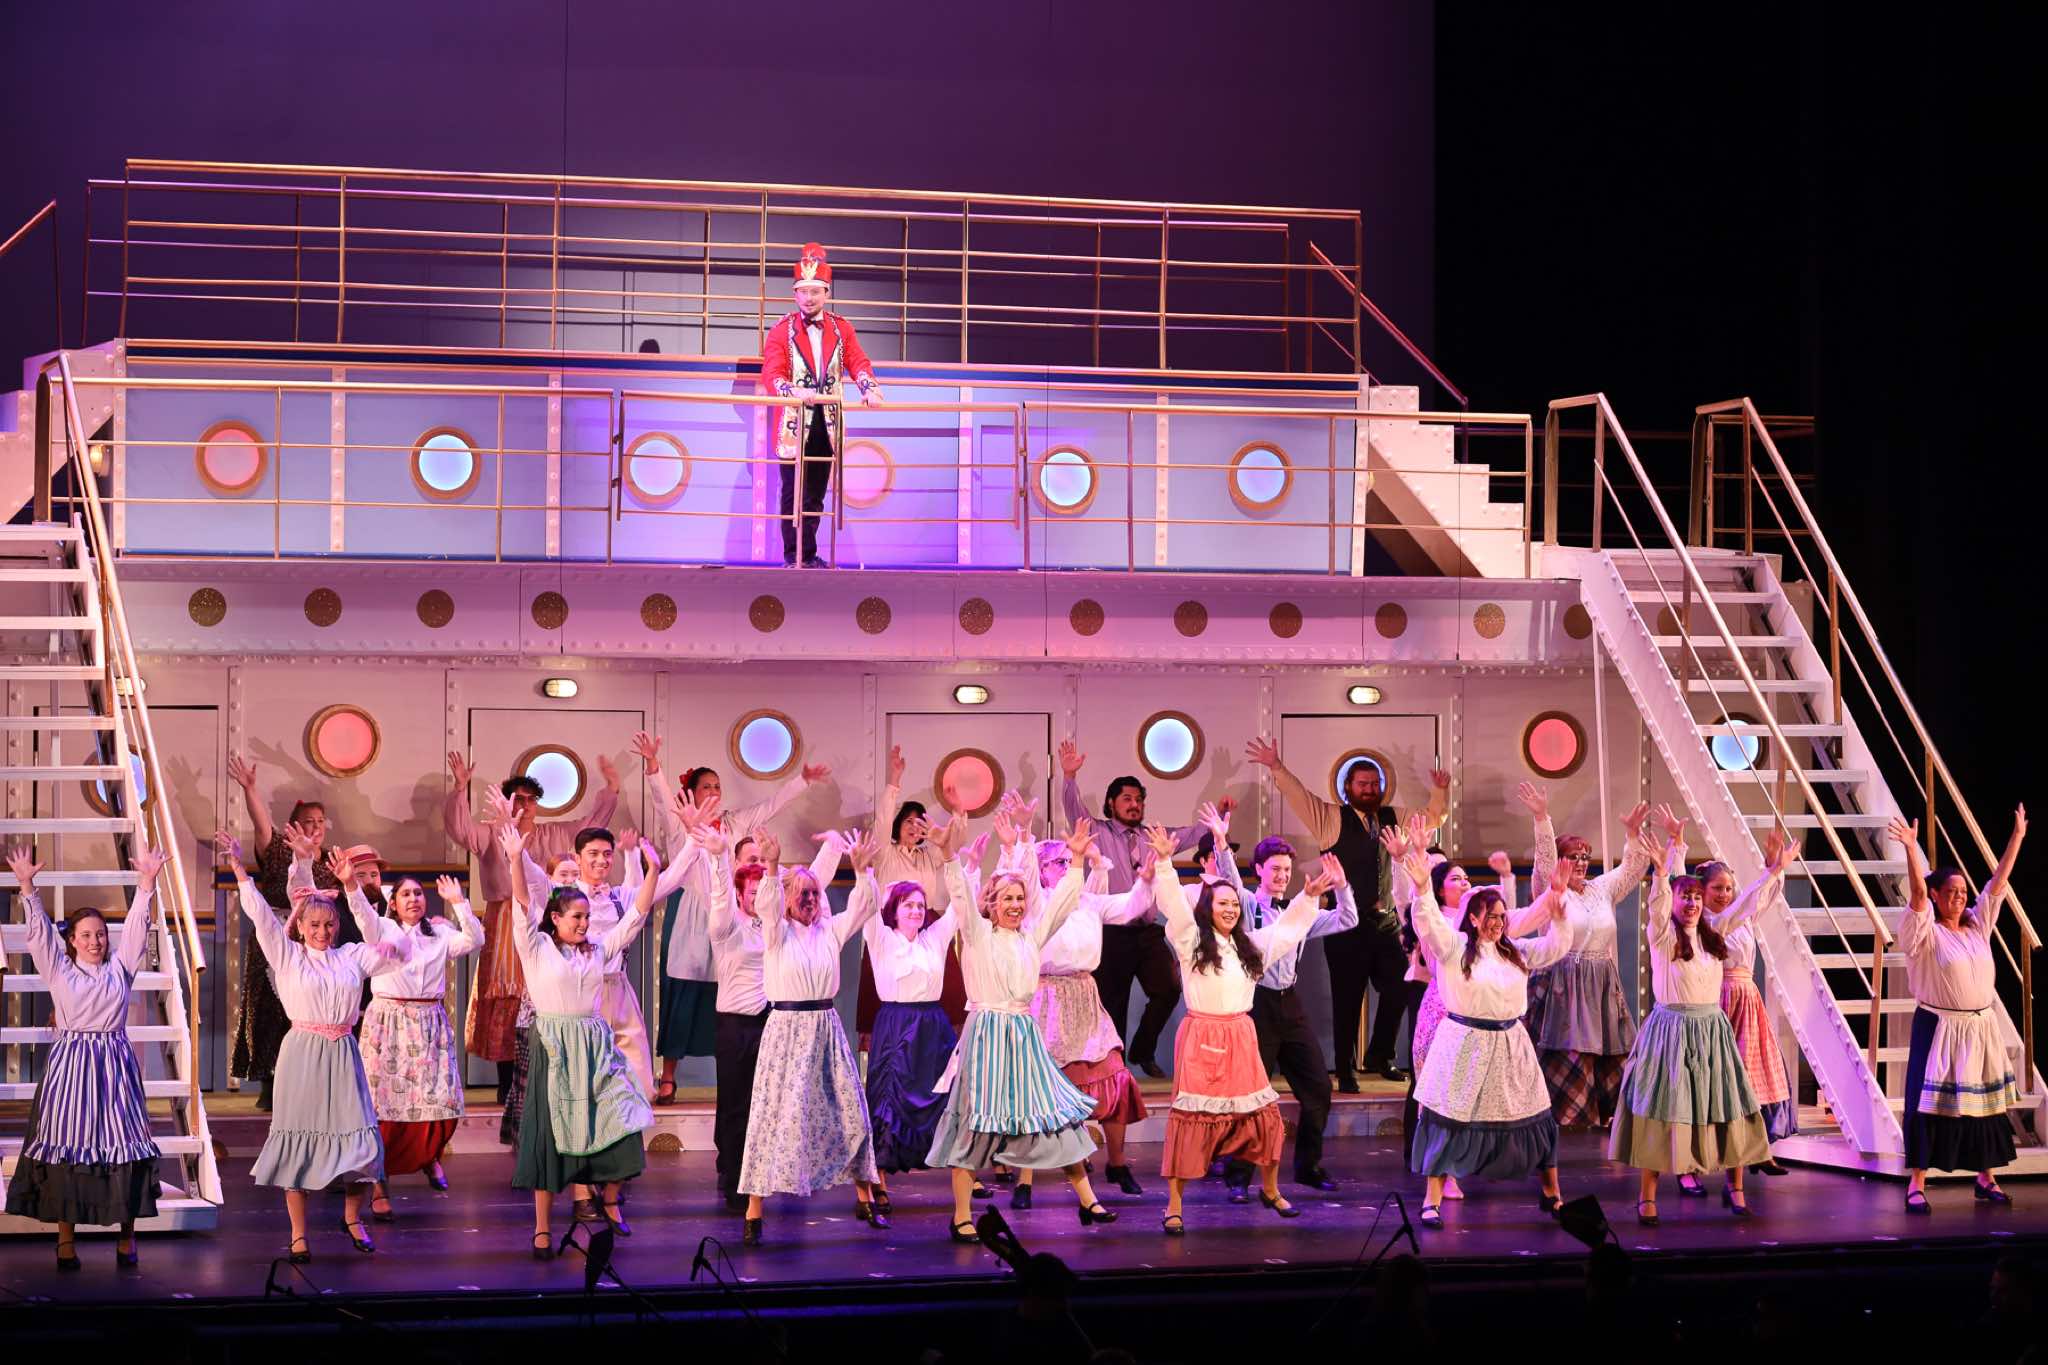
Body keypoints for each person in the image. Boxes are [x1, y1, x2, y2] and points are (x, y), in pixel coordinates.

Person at [218, 830, 409, 1263]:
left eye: (329, 925)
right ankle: (299, 1234)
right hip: (302, 1054)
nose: (323, 931)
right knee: (298, 1145)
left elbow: (394, 949)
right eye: (314, 925)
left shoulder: (352, 957)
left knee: (361, 1145)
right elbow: (260, 915)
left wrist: (352, 889)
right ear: (301, 927)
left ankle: (351, 1217)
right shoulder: (287, 956)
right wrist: (238, 869)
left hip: (342, 1053)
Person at [928, 821, 1116, 1243]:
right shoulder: (977, 935)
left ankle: (1088, 1200)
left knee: (1053, 1114)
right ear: (992, 904)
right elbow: (960, 896)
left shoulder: (1031, 938)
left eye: (1019, 898)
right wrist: (948, 856)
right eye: (1007, 899)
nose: (1015, 905)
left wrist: (1077, 861)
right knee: (975, 1125)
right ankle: (961, 1216)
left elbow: (1062, 905)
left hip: (1023, 1035)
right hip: (987, 1036)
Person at [1145, 822, 1337, 1233]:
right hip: (1203, 1039)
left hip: (1241, 1037)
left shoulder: (1250, 946)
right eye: (1223, 903)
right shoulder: (1192, 943)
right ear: (1208, 908)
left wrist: (1308, 898)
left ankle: (1270, 1189)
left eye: (1235, 903)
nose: (1231, 909)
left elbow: (1286, 932)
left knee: (1263, 1118)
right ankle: (1174, 1204)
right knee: (1192, 1122)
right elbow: (1174, 907)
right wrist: (1163, 862)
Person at [1390, 817, 1575, 1228]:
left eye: (1501, 915)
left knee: (1534, 1117)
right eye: (1490, 915)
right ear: (1472, 918)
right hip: (1464, 1043)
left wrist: (1559, 907)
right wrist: (1422, 888)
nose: (1498, 921)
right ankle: (1432, 1200)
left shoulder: (1514, 951)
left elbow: (1556, 947)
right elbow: (1428, 923)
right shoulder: (1454, 948)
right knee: (1449, 1120)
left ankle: (1552, 1193)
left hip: (1510, 1044)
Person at [1242, 736, 1450, 1089]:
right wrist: (1276, 766)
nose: (1369, 789)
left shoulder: (1396, 817)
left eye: (1374, 784)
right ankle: (1344, 1069)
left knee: (1400, 987)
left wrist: (1439, 791)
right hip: (1345, 926)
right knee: (1347, 999)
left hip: (1387, 924)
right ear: (1348, 788)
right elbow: (1298, 796)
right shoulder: (1329, 817)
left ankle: (1380, 1055)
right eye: (1362, 784)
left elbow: (1431, 819)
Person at [495, 822, 660, 1259]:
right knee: (549, 1138)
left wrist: (653, 872)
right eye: (577, 918)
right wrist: (515, 859)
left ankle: (610, 1199)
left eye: (587, 918)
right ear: (556, 918)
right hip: (554, 1046)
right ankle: (542, 1227)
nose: (585, 924)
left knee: (624, 1118)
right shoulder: (536, 948)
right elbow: (521, 903)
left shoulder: (596, 950)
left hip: (594, 1045)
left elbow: (635, 917)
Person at [3, 844, 167, 1270]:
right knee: (70, 1150)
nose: (95, 941)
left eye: (100, 935)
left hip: (113, 1065)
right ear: (72, 941)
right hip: (73, 1066)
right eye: (87, 935)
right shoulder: (60, 969)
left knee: (122, 1147)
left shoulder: (119, 969)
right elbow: (39, 936)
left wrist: (146, 883)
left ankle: (127, 1237)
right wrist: (28, 888)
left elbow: (137, 930)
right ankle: (65, 1240)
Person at [637, 733, 824, 1106]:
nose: (714, 791)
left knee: (734, 994)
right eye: (706, 786)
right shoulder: (681, 823)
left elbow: (770, 806)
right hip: (693, 911)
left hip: (733, 912)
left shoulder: (734, 823)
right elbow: (661, 800)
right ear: (692, 792)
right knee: (683, 992)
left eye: (717, 786)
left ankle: (735, 1077)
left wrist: (801, 781)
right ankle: (669, 1075)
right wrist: (653, 765)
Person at [1610, 810, 1770, 1223]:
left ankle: (1736, 1189)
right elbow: (1657, 909)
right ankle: (1647, 1196)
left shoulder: (1714, 935)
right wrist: (1663, 875)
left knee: (1730, 1104)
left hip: (1712, 1030)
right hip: (1673, 1030)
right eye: (1687, 897)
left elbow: (1748, 905)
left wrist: (1774, 872)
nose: (1693, 903)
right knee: (1664, 1110)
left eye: (1698, 897)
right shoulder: (1663, 937)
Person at [737, 827, 888, 1245]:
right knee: (772, 1118)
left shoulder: (830, 931)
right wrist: (771, 866)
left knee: (851, 1112)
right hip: (786, 1032)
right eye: (801, 893)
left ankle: (865, 1196)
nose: (809, 899)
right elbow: (767, 906)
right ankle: (753, 1210)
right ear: (787, 898)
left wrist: (863, 872)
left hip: (825, 1028)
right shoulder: (776, 933)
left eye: (814, 892)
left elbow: (864, 905)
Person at [445, 749, 620, 1100]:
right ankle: (507, 1085)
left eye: (530, 799)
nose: (524, 805)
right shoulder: (491, 834)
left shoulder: (553, 834)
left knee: (543, 996)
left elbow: (590, 826)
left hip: (548, 922)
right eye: (518, 799)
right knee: (507, 997)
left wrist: (612, 788)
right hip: (505, 918)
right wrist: (460, 787)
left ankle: (544, 1077)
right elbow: (460, 829)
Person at [1214, 807, 1359, 1199]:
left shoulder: (1301, 908)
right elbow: (1229, 880)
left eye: (1286, 870)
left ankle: (1308, 1167)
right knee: (1250, 1094)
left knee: (1318, 1088)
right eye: (1275, 869)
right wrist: (1222, 842)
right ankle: (1238, 1174)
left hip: (1289, 1004)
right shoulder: (1245, 905)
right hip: (1256, 1004)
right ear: (1259, 870)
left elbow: (1347, 920)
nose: (1281, 876)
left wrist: (1342, 886)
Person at [1014, 810, 1155, 1205]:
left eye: (1067, 861)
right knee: (1038, 1089)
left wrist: (1147, 879)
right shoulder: (1036, 903)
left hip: (1085, 996)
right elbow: (1024, 874)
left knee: (1113, 1078)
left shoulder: (1089, 901)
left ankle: (1117, 1163)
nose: (1064, 866)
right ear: (1042, 871)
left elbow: (1129, 906)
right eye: (1057, 862)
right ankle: (1025, 1178)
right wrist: (1024, 834)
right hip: (1047, 998)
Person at [1890, 806, 2027, 1211]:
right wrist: (1911, 850)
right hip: (1939, 1027)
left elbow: (1997, 885)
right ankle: (1917, 1183)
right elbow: (1917, 896)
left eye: (1963, 891)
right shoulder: (1923, 933)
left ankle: (1986, 1177)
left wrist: (2017, 838)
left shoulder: (1976, 926)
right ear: (1936, 895)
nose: (1960, 896)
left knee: (1983, 1105)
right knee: (1929, 1105)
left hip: (1980, 1029)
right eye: (1951, 891)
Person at [334, 853, 484, 1216]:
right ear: (394, 903)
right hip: (389, 1024)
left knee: (439, 1101)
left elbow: (475, 939)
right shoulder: (383, 930)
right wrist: (350, 883)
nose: (414, 899)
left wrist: (459, 902)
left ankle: (429, 1157)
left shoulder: (440, 934)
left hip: (429, 1022)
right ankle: (379, 1183)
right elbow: (362, 915)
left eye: (418, 893)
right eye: (406, 894)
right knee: (382, 1108)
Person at [1058, 738, 1210, 1077]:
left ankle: (1143, 1050)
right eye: (1127, 798)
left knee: (1169, 989)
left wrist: (1220, 818)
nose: (1134, 804)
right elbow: (1073, 809)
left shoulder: (1151, 836)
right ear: (1111, 803)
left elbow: (1189, 835)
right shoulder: (1096, 831)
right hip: (1112, 933)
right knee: (1114, 1003)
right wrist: (1068, 777)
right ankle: (1116, 1070)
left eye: (1139, 799)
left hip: (1147, 930)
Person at [1510, 782, 1653, 1128]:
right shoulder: (1550, 889)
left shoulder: (1601, 888)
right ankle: (1559, 1117)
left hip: (1600, 982)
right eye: (1573, 856)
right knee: (1567, 1049)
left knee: (1608, 1048)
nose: (1580, 863)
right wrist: (1542, 817)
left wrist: (1632, 835)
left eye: (1585, 857)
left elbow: (1633, 869)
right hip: (1561, 982)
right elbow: (1545, 859)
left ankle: (1602, 1114)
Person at [225, 754, 348, 1111]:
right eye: (308, 821)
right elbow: (260, 824)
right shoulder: (279, 850)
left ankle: (310, 1084)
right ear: (294, 825)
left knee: (307, 1009)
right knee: (267, 1009)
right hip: (274, 937)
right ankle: (270, 1084)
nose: (315, 827)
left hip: (314, 944)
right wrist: (250, 788)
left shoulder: (331, 863)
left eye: (320, 821)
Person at [861, 807, 970, 1201]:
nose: (916, 910)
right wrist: (863, 871)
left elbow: (959, 908)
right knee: (887, 1098)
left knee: (946, 1095)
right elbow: (866, 905)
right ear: (894, 908)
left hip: (931, 1026)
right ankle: (879, 1180)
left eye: (920, 905)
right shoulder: (881, 937)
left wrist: (967, 866)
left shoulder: (934, 938)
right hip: (895, 1024)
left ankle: (960, 1172)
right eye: (908, 904)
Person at [759, 241, 885, 567]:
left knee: (815, 492)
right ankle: (793, 557)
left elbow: (858, 361)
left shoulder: (842, 328)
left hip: (826, 422)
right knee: (792, 493)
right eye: (803, 291)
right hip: (793, 421)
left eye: (815, 291)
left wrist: (870, 388)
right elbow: (772, 372)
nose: (809, 297)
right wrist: (792, 390)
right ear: (795, 294)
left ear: (826, 293)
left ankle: (809, 555)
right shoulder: (780, 331)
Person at [1699, 831, 1799, 1181]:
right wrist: (1770, 871)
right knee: (1723, 1080)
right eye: (1717, 888)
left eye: (1728, 888)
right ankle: (1704, 1157)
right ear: (1703, 891)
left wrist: (1775, 868)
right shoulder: (1708, 922)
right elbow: (1746, 905)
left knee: (1754, 1078)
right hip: (1722, 999)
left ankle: (1757, 1148)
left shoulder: (1741, 919)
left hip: (1748, 999)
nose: (1724, 894)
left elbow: (1761, 900)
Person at [500, 853, 580, 1150]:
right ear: (549, 879)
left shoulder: (583, 918)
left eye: (575, 875)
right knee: (533, 1081)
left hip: (571, 1016)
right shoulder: (541, 911)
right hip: (537, 1013)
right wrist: (516, 856)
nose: (569, 880)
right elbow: (526, 888)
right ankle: (527, 1146)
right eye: (563, 875)